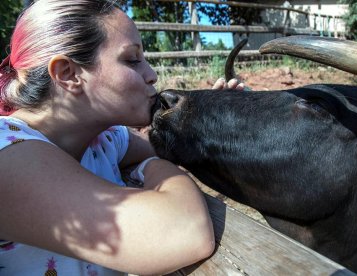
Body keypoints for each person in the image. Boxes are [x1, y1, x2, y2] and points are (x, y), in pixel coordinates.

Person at [0, 0, 244, 275]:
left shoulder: (104, 140)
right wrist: (152, 167)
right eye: (131, 60)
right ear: (68, 74)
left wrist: (207, 121)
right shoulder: (8, 158)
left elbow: (165, 148)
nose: (152, 75)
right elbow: (185, 231)